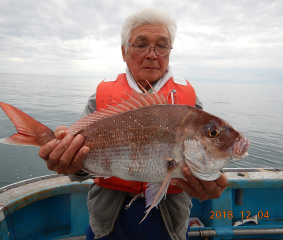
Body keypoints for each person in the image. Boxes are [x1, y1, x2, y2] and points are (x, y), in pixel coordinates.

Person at [39, 8, 228, 240]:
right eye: (141, 45)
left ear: (169, 52)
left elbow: (203, 152)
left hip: (169, 221)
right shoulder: (99, 99)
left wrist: (211, 179)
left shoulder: (189, 106)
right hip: (108, 218)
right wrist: (70, 164)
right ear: (124, 52)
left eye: (162, 45)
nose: (152, 54)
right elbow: (77, 171)